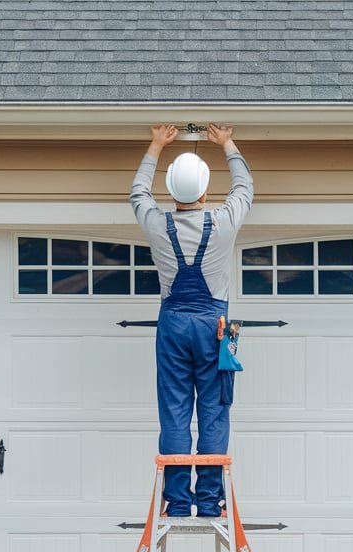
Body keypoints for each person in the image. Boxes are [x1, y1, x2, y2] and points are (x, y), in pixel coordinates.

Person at [131, 123, 253, 518]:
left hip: (173, 325)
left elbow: (138, 194)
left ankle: (179, 502)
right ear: (204, 192)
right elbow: (244, 187)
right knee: (215, 410)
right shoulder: (223, 223)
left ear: (171, 192)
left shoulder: (155, 224)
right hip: (214, 327)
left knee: (175, 410)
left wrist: (156, 145)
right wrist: (226, 143)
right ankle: (210, 500)